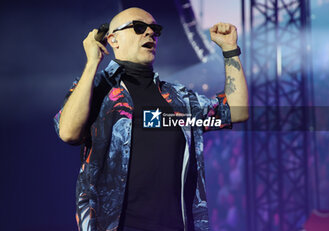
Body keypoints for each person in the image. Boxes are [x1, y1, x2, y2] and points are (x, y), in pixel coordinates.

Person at [54, 7, 248, 231]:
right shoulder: (97, 89)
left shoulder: (179, 99)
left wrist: (230, 50)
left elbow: (236, 111)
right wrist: (91, 64)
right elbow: (68, 132)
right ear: (113, 39)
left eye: (154, 29)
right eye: (138, 27)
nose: (149, 33)